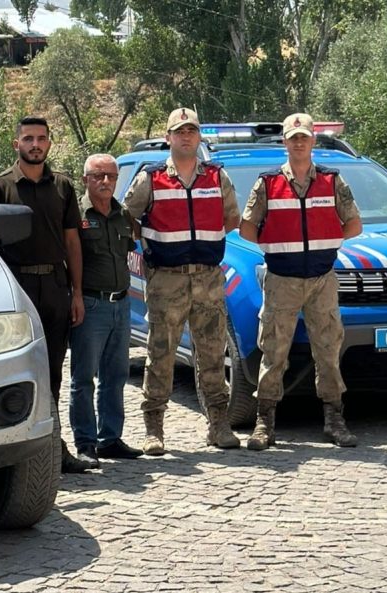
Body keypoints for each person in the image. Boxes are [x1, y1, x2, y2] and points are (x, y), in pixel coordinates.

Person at [0, 115, 95, 473]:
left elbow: (72, 241)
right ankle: (9, 453)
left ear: (49, 143)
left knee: (54, 371)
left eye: (41, 138)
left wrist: (76, 292)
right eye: (28, 138)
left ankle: (53, 449)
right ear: (16, 144)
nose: (35, 144)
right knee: (13, 371)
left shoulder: (62, 187)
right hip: (16, 290)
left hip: (55, 288)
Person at [238, 113, 362, 449]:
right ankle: (265, 423)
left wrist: (326, 242)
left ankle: (334, 420)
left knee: (328, 350)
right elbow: (247, 228)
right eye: (293, 137)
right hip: (282, 279)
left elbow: (354, 225)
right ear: (285, 142)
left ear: (312, 141)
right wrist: (276, 245)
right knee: (274, 352)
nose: (299, 142)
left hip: (322, 278)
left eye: (304, 137)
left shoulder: (332, 181)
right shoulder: (267, 183)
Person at [123, 107, 241, 455]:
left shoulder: (217, 178)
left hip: (207, 278)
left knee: (212, 355)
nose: (186, 136)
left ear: (199, 136)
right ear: (169, 137)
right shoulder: (151, 177)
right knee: (160, 354)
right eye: (180, 131)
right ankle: (154, 429)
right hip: (167, 281)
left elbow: (231, 220)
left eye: (191, 130)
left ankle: (218, 426)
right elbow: (128, 219)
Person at [68, 154, 144, 464]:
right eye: (98, 176)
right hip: (90, 304)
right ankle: (85, 443)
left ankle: (110, 437)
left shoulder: (122, 214)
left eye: (111, 176)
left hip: (120, 304)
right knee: (84, 377)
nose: (106, 182)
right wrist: (74, 297)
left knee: (116, 376)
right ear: (85, 179)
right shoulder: (75, 215)